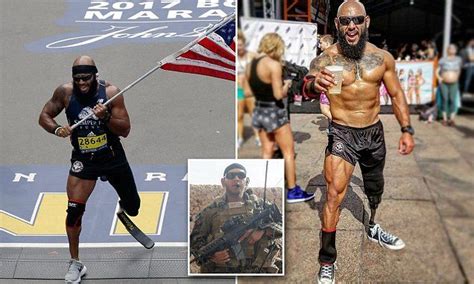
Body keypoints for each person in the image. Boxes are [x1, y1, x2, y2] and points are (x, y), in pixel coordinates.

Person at [303, 1, 415, 283]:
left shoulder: (382, 58)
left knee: (375, 188)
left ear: (366, 22)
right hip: (342, 133)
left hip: (373, 133)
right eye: (344, 21)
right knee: (332, 196)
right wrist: (314, 85)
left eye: (355, 20)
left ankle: (373, 225)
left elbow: (398, 95)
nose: (351, 26)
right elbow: (306, 83)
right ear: (337, 25)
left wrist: (406, 129)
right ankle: (327, 260)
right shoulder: (327, 58)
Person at [38, 55, 141, 283]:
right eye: (78, 79)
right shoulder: (65, 93)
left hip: (112, 157)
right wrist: (56, 130)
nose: (82, 83)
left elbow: (125, 130)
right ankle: (75, 263)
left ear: (95, 75)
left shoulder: (111, 93)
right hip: (84, 160)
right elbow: (44, 116)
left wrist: (105, 118)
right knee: (74, 212)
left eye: (86, 78)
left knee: (134, 207)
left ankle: (123, 207)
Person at [243, 33, 314, 203]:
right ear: (276, 47)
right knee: (288, 152)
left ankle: (262, 189)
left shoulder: (251, 64)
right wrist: (287, 85)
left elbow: (246, 91)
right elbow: (277, 94)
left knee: (267, 152)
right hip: (274, 111)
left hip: (259, 110)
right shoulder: (273, 65)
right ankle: (292, 191)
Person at [190, 163, 282, 273]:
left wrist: (263, 229)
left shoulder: (261, 206)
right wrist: (212, 257)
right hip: (222, 273)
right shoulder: (209, 212)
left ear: (246, 181)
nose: (236, 179)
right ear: (223, 182)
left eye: (240, 175)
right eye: (231, 176)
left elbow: (281, 223)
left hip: (259, 271)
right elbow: (195, 242)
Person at [237, 29, 260, 148]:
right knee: (239, 115)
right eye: (237, 45)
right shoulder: (233, 57)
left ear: (244, 44)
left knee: (253, 115)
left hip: (250, 90)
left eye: (240, 45)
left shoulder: (251, 56)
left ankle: (257, 137)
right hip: (239, 91)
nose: (238, 47)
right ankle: (240, 138)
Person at [436, 44, 463, 126]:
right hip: (444, 82)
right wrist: (439, 78)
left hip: (454, 82)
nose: (452, 50)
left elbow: (459, 70)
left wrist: (456, 78)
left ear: (456, 50)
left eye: (454, 48)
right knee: (445, 99)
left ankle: (451, 119)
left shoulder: (458, 59)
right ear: (447, 50)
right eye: (450, 48)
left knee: (452, 99)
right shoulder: (443, 60)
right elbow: (437, 70)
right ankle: (444, 119)